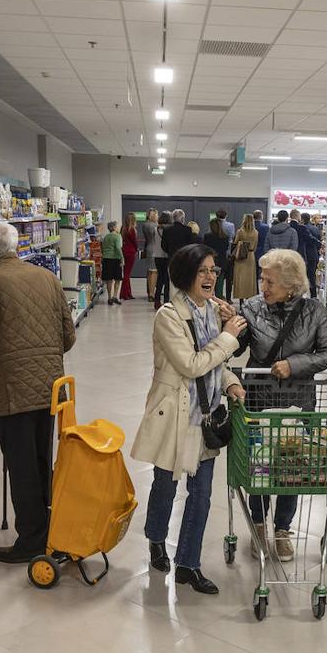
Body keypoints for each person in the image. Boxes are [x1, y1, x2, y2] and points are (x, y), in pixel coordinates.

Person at [0, 222, 76, 564]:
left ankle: (32, 541)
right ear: (18, 245)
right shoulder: (48, 279)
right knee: (41, 457)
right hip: (50, 388)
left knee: (21, 466)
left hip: (11, 390)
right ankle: (50, 525)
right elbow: (68, 337)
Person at [131, 244, 247, 595]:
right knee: (165, 485)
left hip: (207, 416)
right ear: (186, 276)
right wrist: (228, 336)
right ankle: (155, 539)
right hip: (175, 415)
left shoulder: (214, 310)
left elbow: (216, 366)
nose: (211, 276)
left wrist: (231, 383)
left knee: (201, 495)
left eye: (214, 270)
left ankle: (188, 564)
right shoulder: (168, 315)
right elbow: (192, 365)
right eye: (203, 271)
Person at [233, 248, 327, 561]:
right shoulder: (252, 307)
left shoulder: (315, 311)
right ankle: (257, 524)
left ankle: (282, 529)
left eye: (270, 282)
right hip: (259, 400)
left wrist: (295, 364)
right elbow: (235, 350)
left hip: (299, 402)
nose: (262, 287)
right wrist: (230, 327)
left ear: (291, 286)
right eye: (261, 279)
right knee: (259, 467)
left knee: (292, 467)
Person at [232, 213, 259, 300]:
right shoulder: (256, 232)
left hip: (241, 255)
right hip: (251, 256)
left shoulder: (240, 231)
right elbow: (255, 246)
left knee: (240, 278)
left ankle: (241, 300)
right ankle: (249, 298)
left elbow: (235, 243)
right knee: (250, 279)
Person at [203, 218, 231, 299]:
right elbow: (226, 249)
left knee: (209, 282)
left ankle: (209, 299)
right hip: (221, 263)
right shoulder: (225, 237)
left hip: (210, 262)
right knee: (219, 284)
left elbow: (205, 249)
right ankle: (218, 302)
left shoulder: (207, 236)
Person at [101, 220, 124, 305]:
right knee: (117, 278)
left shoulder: (106, 237)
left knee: (109, 279)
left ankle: (109, 297)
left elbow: (103, 248)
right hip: (115, 259)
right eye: (117, 226)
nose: (118, 228)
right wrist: (122, 259)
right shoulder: (117, 236)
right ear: (114, 227)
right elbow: (118, 248)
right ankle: (115, 296)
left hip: (106, 259)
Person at [299, 213, 322, 295]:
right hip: (314, 255)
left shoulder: (302, 228)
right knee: (312, 276)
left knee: (301, 276)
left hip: (304, 255)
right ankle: (313, 295)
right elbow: (319, 241)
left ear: (302, 219)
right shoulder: (316, 229)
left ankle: (301, 295)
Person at [152, 210, 170, 309]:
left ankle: (157, 300)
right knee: (167, 279)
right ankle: (166, 301)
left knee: (160, 278)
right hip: (166, 256)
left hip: (157, 256)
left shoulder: (155, 229)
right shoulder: (169, 230)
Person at [121, 218, 139, 300]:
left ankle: (127, 293)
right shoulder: (132, 230)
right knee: (127, 275)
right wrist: (136, 249)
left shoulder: (123, 229)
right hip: (131, 252)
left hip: (124, 251)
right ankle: (125, 294)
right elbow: (134, 242)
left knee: (126, 273)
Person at [253, 210, 270, 278]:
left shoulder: (250, 226)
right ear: (261, 217)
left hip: (251, 251)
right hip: (262, 251)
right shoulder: (266, 227)